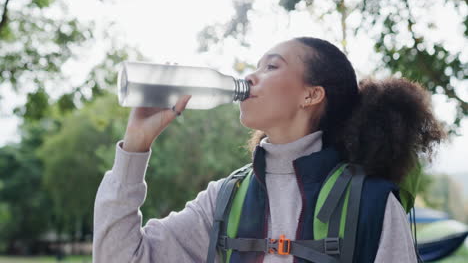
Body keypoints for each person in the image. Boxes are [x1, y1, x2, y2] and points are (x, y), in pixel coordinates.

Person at [93, 37, 446, 263]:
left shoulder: (370, 203)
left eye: (272, 66)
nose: (250, 77)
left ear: (312, 94)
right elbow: (118, 257)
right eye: (256, 66)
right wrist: (136, 147)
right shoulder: (224, 199)